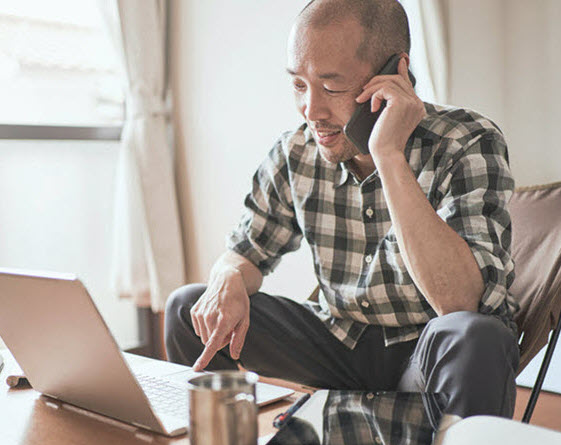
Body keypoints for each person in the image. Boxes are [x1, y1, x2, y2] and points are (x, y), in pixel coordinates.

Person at [165, 0, 520, 418]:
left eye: (331, 87)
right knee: (190, 307)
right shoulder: (295, 151)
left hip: (429, 351)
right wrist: (226, 277)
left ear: (394, 74)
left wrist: (387, 154)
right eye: (299, 85)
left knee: (477, 336)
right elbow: (246, 251)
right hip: (338, 343)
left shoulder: (466, 141)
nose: (311, 111)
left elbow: (459, 302)